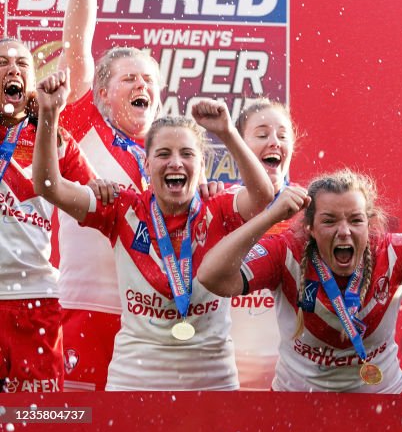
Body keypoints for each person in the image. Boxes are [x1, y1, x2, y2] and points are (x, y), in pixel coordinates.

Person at [33, 70, 275, 391]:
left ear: (201, 166)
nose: (175, 163)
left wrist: (228, 133)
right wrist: (49, 115)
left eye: (187, 154)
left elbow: (262, 197)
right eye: (163, 154)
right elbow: (50, 188)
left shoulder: (217, 206)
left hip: (211, 381)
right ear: (147, 166)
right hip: (135, 379)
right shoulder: (121, 208)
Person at [197, 170, 402, 392]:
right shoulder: (285, 251)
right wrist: (270, 216)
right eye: (329, 221)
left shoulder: (394, 252)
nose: (344, 231)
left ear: (370, 224)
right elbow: (211, 276)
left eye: (356, 220)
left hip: (381, 405)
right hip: (297, 408)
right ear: (309, 228)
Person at [56, 0, 164, 391]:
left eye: (150, 82)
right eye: (130, 79)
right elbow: (78, 49)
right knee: (77, 422)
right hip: (84, 308)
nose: (143, 86)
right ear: (100, 91)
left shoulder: (170, 157)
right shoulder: (83, 125)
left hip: (150, 319)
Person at [0, 38, 93, 392]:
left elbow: (101, 197)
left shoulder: (54, 137)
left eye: (22, 63)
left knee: (39, 420)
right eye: (2, 63)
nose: (13, 69)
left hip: (36, 298)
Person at [230, 99, 297, 389]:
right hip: (225, 380)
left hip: (289, 380)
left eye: (282, 136)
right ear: (239, 148)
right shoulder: (217, 207)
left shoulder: (312, 215)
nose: (274, 142)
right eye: (261, 134)